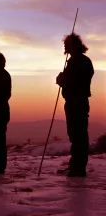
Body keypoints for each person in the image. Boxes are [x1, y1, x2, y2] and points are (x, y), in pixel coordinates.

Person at [56, 33, 94, 177]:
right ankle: (75, 166)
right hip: (73, 102)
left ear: (74, 45)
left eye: (67, 44)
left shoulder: (80, 61)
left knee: (78, 135)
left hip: (77, 102)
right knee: (75, 134)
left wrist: (62, 80)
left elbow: (77, 82)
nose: (65, 46)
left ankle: (78, 168)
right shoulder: (77, 61)